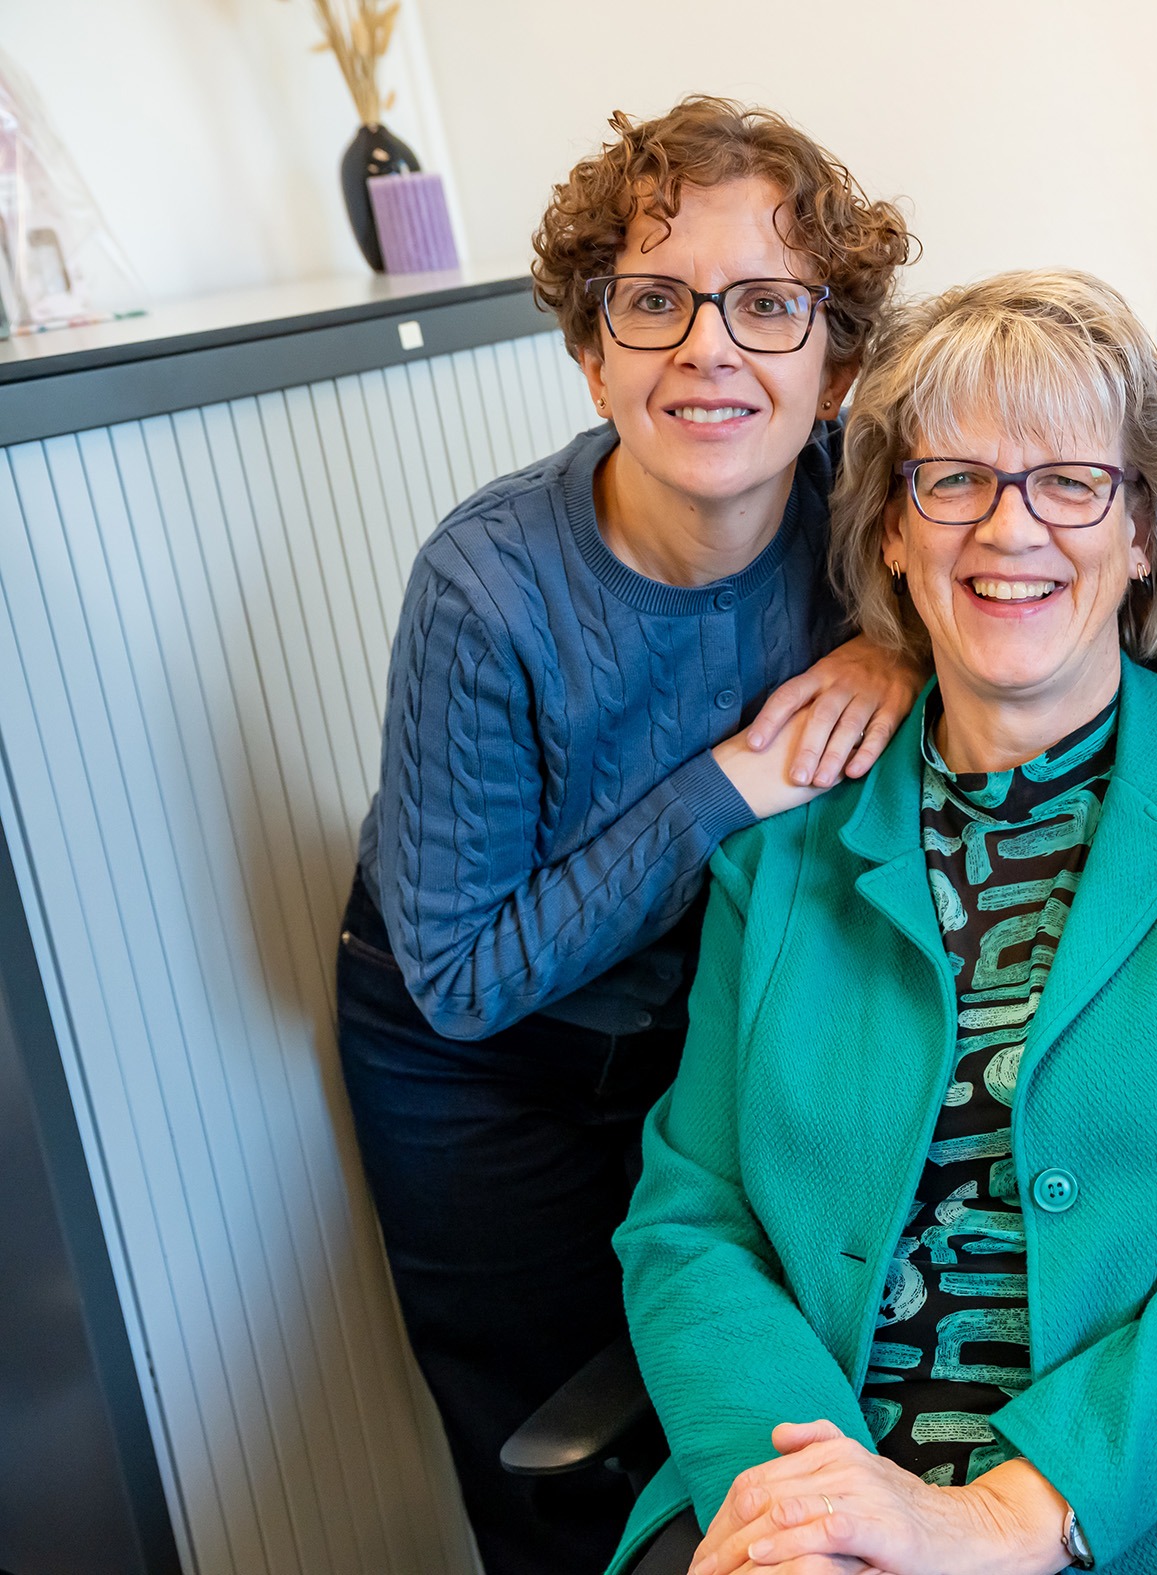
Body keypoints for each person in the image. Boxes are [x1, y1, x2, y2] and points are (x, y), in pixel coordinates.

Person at [605, 270, 1157, 1575]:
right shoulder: (783, 861)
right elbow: (689, 1223)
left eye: (1069, 483)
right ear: (889, 529)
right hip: (818, 1513)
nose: (1009, 528)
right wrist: (806, 1504)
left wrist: (1007, 1514)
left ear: (1141, 532)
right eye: (956, 482)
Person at [335, 97, 919, 1575]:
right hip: (477, 1061)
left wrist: (899, 644)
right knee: (549, 1457)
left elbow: (1085, 530)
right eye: (653, 302)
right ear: (590, 351)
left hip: (698, 1023)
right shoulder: (487, 591)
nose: (708, 346)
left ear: (837, 360)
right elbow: (463, 976)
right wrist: (733, 776)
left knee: (737, 1401)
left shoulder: (877, 514)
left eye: (767, 304)